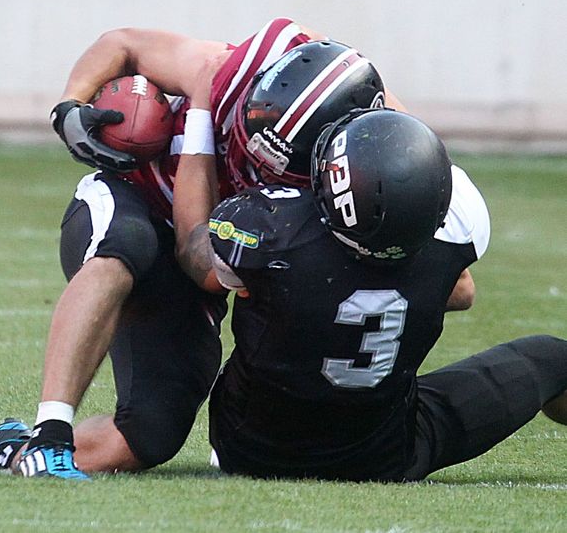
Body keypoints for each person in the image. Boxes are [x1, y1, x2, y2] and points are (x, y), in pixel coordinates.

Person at [0, 18, 401, 479]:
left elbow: (201, 263)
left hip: (201, 250)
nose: (250, 150)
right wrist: (71, 106)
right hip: (135, 199)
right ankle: (51, 432)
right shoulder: (225, 71)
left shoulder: (371, 153)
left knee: (147, 437)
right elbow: (121, 44)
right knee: (125, 246)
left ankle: (6, 448)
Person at [172, 107, 567, 481]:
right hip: (384, 453)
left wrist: (200, 120)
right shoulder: (451, 242)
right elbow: (461, 293)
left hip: (249, 447)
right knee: (554, 358)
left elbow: (199, 258)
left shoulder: (270, 230)